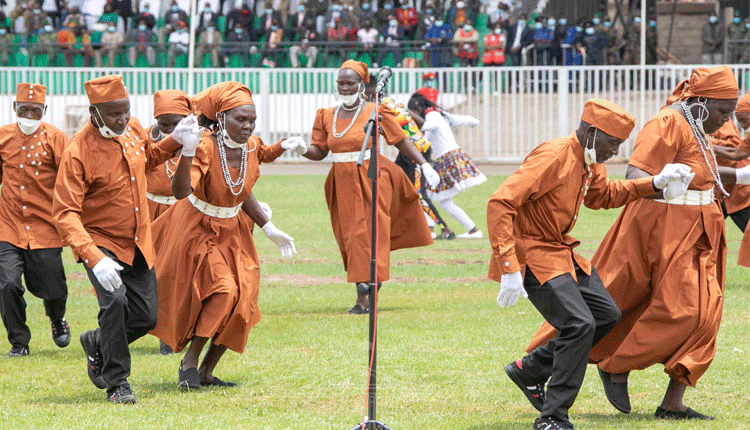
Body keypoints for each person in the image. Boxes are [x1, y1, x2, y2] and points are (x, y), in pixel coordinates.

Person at [527, 66, 744, 421]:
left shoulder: (697, 123)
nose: (726, 121)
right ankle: (595, 364)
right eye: (723, 111)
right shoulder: (668, 123)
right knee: (665, 307)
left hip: (703, 227)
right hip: (664, 228)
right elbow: (636, 175)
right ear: (702, 102)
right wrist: (666, 181)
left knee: (708, 315)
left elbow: (703, 170)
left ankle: (672, 402)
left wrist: (738, 175)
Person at [489, 98, 693, 430]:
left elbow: (602, 196)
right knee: (579, 324)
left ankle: (531, 369)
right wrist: (510, 267)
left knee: (606, 315)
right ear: (593, 132)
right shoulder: (554, 156)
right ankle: (552, 417)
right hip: (533, 255)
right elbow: (500, 202)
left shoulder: (589, 158)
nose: (616, 151)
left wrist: (654, 184)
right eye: (613, 143)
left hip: (559, 252)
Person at [149, 81, 297, 389]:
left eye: (251, 120)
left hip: (236, 232)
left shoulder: (252, 146)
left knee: (244, 302)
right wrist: (187, 151)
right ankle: (189, 362)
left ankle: (206, 370)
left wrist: (269, 228)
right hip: (199, 228)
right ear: (220, 118)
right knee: (223, 290)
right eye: (240, 119)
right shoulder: (203, 145)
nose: (247, 126)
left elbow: (241, 191)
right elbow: (181, 191)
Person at [52, 74, 189, 404]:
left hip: (139, 239)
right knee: (114, 304)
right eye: (114, 114)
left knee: (146, 317)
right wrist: (93, 258)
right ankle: (118, 383)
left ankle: (97, 341)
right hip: (101, 242)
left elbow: (150, 159)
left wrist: (176, 141)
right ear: (94, 113)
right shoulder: (77, 152)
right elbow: (64, 213)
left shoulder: (133, 129)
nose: (122, 119)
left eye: (126, 111)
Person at [296, 60, 439, 314]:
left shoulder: (376, 110)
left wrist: (423, 165)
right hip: (342, 181)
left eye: (350, 83)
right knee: (351, 238)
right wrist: (301, 149)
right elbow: (319, 151)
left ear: (361, 85)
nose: (345, 87)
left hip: (373, 177)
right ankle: (369, 283)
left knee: (370, 235)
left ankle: (364, 298)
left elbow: (400, 140)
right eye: (341, 83)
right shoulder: (326, 115)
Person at [0, 83, 71, 358]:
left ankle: (57, 319)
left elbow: (69, 181)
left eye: (36, 110)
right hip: (9, 225)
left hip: (46, 227)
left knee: (54, 289)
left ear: (45, 110)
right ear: (15, 108)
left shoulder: (56, 138)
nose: (29, 115)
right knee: (7, 283)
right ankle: (19, 342)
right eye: (24, 109)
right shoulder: (3, 137)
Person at [408, 92, 485, 238]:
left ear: (418, 108)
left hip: (447, 159)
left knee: (428, 196)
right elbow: (461, 119)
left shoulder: (432, 116)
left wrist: (416, 128)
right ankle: (473, 230)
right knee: (439, 200)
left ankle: (431, 230)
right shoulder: (439, 114)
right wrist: (473, 121)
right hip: (448, 158)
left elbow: (430, 129)